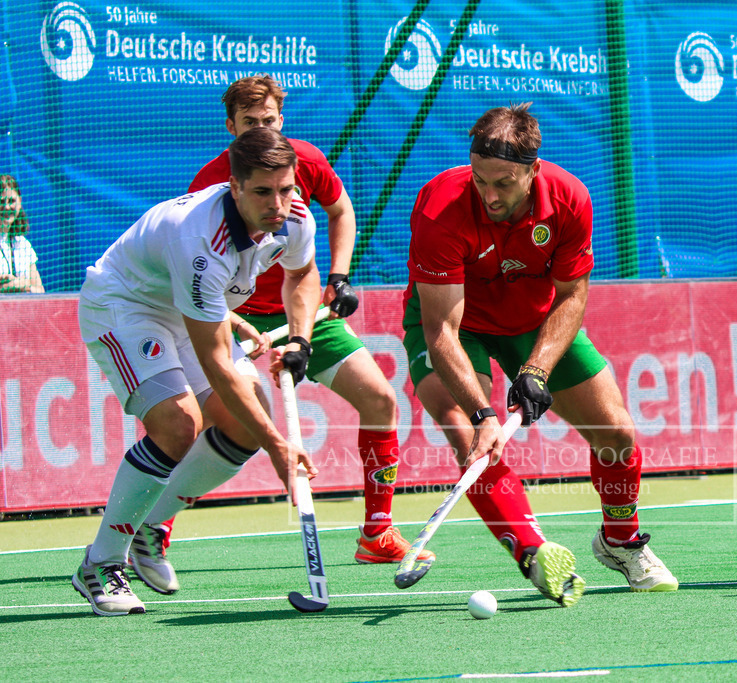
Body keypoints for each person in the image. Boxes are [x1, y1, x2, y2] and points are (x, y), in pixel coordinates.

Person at [128, 75, 431, 597]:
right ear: (231, 127)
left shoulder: (304, 161)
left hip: (304, 311)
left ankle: (377, 533)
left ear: (281, 120)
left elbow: (340, 211)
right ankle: (154, 528)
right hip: (234, 315)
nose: (261, 130)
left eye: (268, 120)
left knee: (380, 398)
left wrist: (338, 277)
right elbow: (199, 282)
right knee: (206, 414)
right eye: (250, 123)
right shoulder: (213, 182)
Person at [402, 103, 678, 607]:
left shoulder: (569, 198)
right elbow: (441, 329)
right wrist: (484, 414)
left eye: (503, 183)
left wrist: (535, 370)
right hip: (457, 323)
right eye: (480, 179)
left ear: (533, 171)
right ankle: (534, 554)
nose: (489, 195)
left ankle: (620, 541)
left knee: (616, 433)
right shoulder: (440, 207)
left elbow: (572, 295)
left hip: (533, 321)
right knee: (467, 431)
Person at [73, 127, 321, 616]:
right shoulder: (201, 240)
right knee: (178, 422)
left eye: (286, 189)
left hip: (189, 307)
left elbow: (301, 274)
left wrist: (299, 337)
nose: (277, 204)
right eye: (263, 192)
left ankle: (149, 524)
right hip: (126, 305)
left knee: (241, 422)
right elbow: (215, 363)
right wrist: (278, 447)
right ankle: (100, 563)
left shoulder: (293, 218)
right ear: (235, 187)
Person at [0, 174, 44, 293]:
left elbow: (41, 291)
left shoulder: (23, 244)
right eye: (1, 201)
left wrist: (25, 286)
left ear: (20, 201)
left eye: (12, 201)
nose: (6, 207)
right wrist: (9, 287)